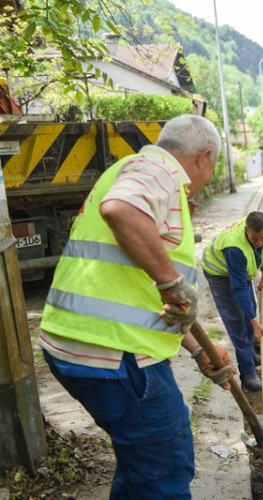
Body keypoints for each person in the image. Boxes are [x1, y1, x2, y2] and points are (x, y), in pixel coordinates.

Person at [39, 115, 231, 498]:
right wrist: (173, 283)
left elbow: (138, 287)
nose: (207, 181)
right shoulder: (159, 168)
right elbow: (121, 210)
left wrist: (197, 350)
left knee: (141, 463)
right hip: (113, 355)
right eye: (213, 169)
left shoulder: (126, 169)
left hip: (80, 345)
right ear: (205, 156)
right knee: (164, 469)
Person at [201, 212, 263, 391]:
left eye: (262, 238)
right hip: (219, 274)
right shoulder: (235, 249)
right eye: (254, 238)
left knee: (251, 308)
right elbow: (239, 289)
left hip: (240, 272)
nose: (258, 243)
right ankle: (248, 374)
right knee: (237, 322)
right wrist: (255, 323)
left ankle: (252, 356)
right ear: (246, 230)